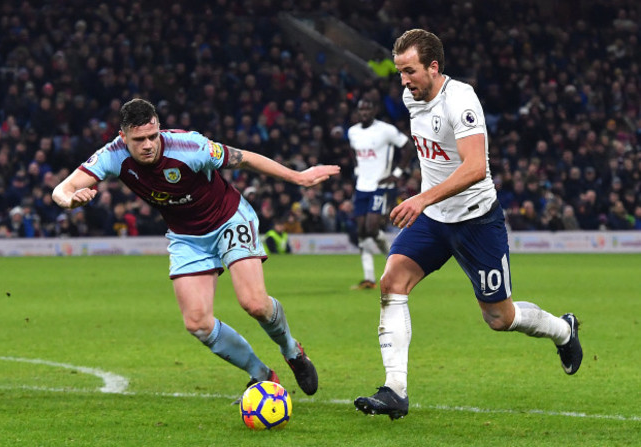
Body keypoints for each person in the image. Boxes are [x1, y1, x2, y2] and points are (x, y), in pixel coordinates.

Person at [354, 30, 582, 420]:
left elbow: (476, 167)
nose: (403, 81)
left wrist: (422, 196)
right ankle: (395, 390)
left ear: (434, 66)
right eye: (399, 73)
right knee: (392, 282)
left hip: (476, 220)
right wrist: (426, 199)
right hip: (433, 220)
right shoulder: (412, 97)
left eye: (409, 71)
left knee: (499, 318)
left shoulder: (461, 100)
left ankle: (563, 330)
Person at [52, 98, 340, 398]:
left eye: (153, 136)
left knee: (254, 303)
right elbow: (61, 189)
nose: (149, 145)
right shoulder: (112, 155)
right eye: (139, 140)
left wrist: (298, 177)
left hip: (229, 219)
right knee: (197, 323)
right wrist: (70, 200)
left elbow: (244, 158)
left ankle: (291, 351)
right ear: (123, 137)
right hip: (186, 237)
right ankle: (262, 374)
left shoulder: (191, 146)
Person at [348, 98, 412, 289]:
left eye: (368, 109)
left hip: (380, 185)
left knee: (371, 226)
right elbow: (353, 152)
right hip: (362, 186)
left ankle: (394, 266)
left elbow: (408, 147)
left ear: (374, 110)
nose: (364, 113)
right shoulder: (353, 132)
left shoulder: (386, 130)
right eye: (361, 110)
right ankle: (369, 279)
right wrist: (358, 169)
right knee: (362, 231)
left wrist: (396, 174)